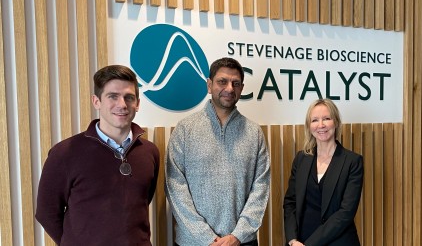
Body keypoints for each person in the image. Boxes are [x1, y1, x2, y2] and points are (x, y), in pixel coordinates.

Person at [36, 65, 160, 245]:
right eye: (113, 96)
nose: (122, 104)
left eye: (129, 97)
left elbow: (142, 201)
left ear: (137, 104)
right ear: (96, 101)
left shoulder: (149, 152)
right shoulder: (64, 153)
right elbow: (46, 212)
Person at [165, 57, 270, 246]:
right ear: (209, 84)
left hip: (242, 242)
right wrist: (206, 237)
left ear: (241, 88)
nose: (229, 88)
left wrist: (238, 235)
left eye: (235, 83)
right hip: (193, 242)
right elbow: (175, 187)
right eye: (222, 81)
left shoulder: (254, 133)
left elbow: (261, 187)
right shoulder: (185, 129)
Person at [283, 99, 364, 246]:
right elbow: (290, 203)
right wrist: (292, 240)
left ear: (336, 122)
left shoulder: (353, 161)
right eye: (315, 120)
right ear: (309, 126)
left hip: (338, 241)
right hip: (300, 242)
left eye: (326, 118)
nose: (321, 125)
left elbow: (345, 213)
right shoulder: (301, 159)